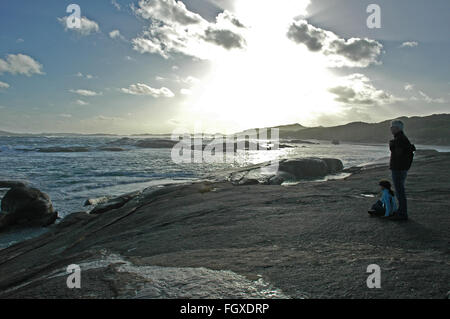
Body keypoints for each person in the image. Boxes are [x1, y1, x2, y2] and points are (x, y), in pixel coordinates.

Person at [389, 120, 416, 221]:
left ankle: (402, 214)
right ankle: (401, 211)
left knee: (400, 192)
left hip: (398, 169)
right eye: (391, 127)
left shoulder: (399, 139)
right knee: (400, 191)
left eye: (393, 127)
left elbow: (398, 154)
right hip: (401, 168)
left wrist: (391, 144)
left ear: (398, 128)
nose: (391, 129)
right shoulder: (401, 138)